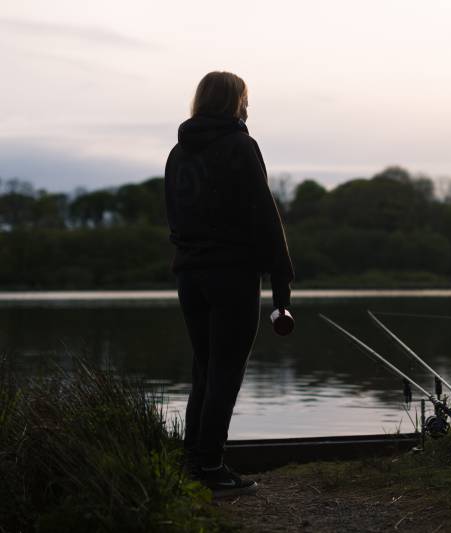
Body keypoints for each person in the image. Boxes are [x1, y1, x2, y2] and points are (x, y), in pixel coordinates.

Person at [164, 71, 294, 497]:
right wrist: (281, 282)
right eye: (244, 99)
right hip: (232, 275)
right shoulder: (240, 145)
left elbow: (174, 218)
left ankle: (193, 463)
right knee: (225, 371)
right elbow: (264, 215)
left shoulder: (176, 155)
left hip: (189, 275)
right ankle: (211, 468)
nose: (248, 107)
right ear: (233, 102)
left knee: (205, 368)